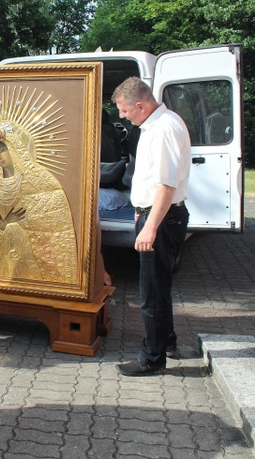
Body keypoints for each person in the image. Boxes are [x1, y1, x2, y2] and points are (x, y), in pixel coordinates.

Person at [112, 76, 191, 377]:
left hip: (161, 218)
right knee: (160, 286)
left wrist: (150, 227)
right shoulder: (158, 124)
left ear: (141, 106)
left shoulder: (163, 129)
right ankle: (167, 343)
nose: (121, 116)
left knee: (151, 292)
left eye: (124, 110)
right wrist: (139, 212)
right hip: (154, 215)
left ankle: (152, 358)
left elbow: (167, 186)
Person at [0, 114, 78, 283]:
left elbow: (51, 225)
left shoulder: (40, 181)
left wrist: (11, 226)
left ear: (13, 148)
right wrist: (2, 227)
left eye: (2, 149)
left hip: (29, 265)